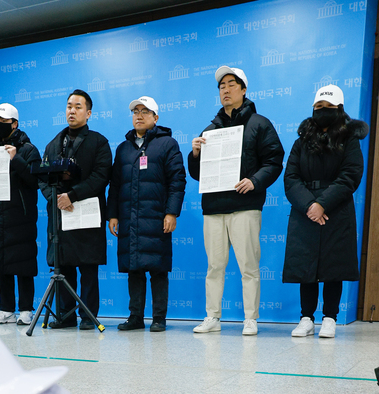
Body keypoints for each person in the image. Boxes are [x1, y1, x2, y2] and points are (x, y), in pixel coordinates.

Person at [188, 66, 284, 335]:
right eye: (221, 86)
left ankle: (250, 318)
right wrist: (195, 155)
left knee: (248, 266)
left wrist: (254, 181)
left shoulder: (260, 124)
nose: (226, 90)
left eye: (231, 84)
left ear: (244, 90)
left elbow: (274, 160)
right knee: (214, 266)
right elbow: (197, 174)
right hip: (214, 209)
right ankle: (212, 317)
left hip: (245, 206)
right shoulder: (210, 130)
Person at [283, 85, 367, 338]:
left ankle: (330, 317)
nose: (322, 112)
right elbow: (291, 177)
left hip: (336, 208)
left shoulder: (349, 139)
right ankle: (306, 318)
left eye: (328, 108)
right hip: (305, 208)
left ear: (339, 110)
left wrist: (323, 204)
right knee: (306, 264)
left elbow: (350, 175)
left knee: (333, 264)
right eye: (318, 107)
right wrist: (309, 205)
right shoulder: (301, 141)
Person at [108, 96, 186, 332]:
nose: (139, 115)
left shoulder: (168, 144)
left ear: (156, 117)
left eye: (145, 111)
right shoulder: (123, 149)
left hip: (156, 218)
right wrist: (113, 215)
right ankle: (135, 317)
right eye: (135, 111)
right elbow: (115, 185)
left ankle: (159, 318)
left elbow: (177, 181)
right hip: (129, 219)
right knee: (134, 269)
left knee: (158, 270)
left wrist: (171, 212)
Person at [39, 89, 112, 330]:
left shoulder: (99, 142)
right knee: (64, 265)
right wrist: (57, 197)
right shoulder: (53, 144)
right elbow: (42, 177)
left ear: (88, 113)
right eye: (69, 106)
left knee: (88, 267)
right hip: (61, 214)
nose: (72, 110)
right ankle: (65, 315)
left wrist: (72, 195)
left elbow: (101, 176)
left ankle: (88, 315)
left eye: (78, 107)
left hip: (87, 212)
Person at [0, 103, 41, 325]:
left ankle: (26, 309)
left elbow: (35, 181)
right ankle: (5, 309)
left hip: (21, 216)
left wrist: (16, 158)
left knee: (23, 262)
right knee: (2, 262)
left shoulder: (29, 149)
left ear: (14, 124)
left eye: (3, 122)